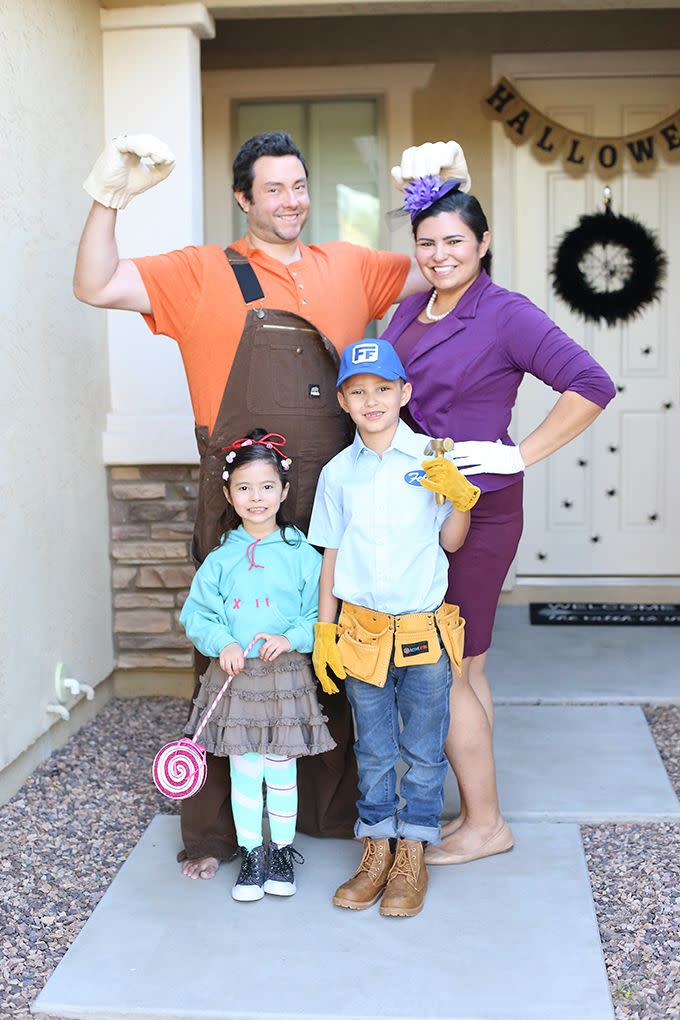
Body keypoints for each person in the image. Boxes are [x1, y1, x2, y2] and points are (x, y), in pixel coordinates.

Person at [74, 129, 451, 880]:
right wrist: (106, 199)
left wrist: (439, 191)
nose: (291, 201)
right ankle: (216, 831)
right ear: (243, 198)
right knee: (231, 653)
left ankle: (337, 812)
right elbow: (96, 284)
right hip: (243, 495)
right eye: (273, 188)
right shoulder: (198, 272)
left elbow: (445, 262)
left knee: (335, 642)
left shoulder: (348, 265)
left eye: (299, 185)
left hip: (335, 489)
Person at [380, 165, 617, 866]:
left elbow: (592, 384)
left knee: (445, 666)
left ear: (482, 244)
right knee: (468, 667)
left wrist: (521, 456)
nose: (439, 254)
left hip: (476, 510)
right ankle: (475, 811)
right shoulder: (410, 309)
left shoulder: (505, 312)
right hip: (416, 506)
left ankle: (487, 825)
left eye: (454, 240)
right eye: (426, 242)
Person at [308, 338, 480, 917]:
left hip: (424, 633)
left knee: (424, 750)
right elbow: (331, 554)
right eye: (359, 392)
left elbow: (451, 542)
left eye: (384, 389)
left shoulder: (432, 460)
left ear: (404, 393)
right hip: (360, 635)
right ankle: (377, 847)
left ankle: (414, 853)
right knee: (375, 748)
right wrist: (324, 633)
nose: (372, 400)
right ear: (343, 402)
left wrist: (459, 499)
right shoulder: (337, 475)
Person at [179, 429, 335, 901]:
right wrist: (222, 641)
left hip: (284, 678)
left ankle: (281, 852)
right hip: (236, 680)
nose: (256, 497)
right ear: (228, 493)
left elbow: (322, 615)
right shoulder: (221, 559)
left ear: (284, 491)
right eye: (244, 487)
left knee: (280, 766)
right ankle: (251, 853)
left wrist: (291, 636)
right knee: (244, 767)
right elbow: (197, 614)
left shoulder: (303, 555)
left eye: (266, 486)